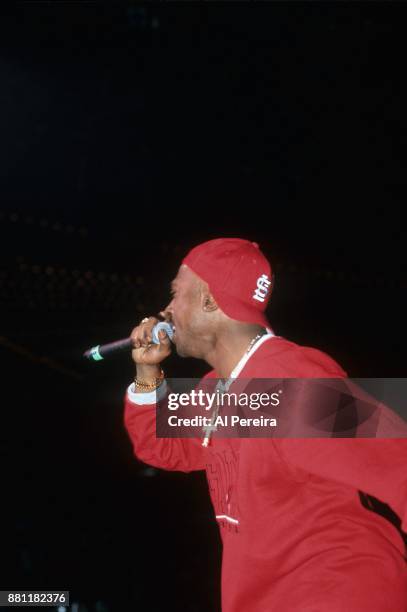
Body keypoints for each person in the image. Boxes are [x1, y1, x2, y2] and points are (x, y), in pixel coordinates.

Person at [124, 238, 407, 611]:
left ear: (209, 301)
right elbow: (162, 445)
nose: (166, 310)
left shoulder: (290, 382)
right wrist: (147, 371)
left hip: (337, 594)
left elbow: (398, 465)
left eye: (176, 294)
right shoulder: (221, 389)